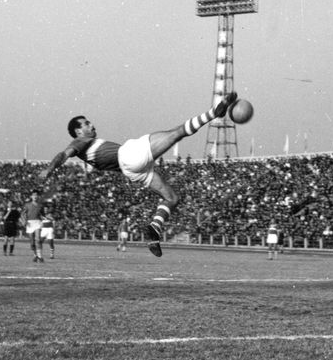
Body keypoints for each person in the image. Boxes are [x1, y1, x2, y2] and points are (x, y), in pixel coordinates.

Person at [39, 92, 238, 257]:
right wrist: (50, 168)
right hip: (129, 155)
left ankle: (154, 228)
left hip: (133, 171)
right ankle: (213, 113)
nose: (91, 125)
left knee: (172, 198)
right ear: (78, 131)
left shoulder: (84, 147)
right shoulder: (79, 142)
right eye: (86, 123)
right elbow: (63, 154)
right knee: (177, 132)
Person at [22, 192, 45, 263]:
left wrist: (43, 218)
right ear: (31, 196)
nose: (35, 196)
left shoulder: (40, 205)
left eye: (36, 195)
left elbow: (42, 215)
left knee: (37, 239)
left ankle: (40, 257)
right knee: (32, 242)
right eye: (34, 195)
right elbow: (23, 214)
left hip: (37, 222)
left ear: (38, 197)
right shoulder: (27, 205)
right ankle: (35, 255)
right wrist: (24, 221)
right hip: (30, 223)